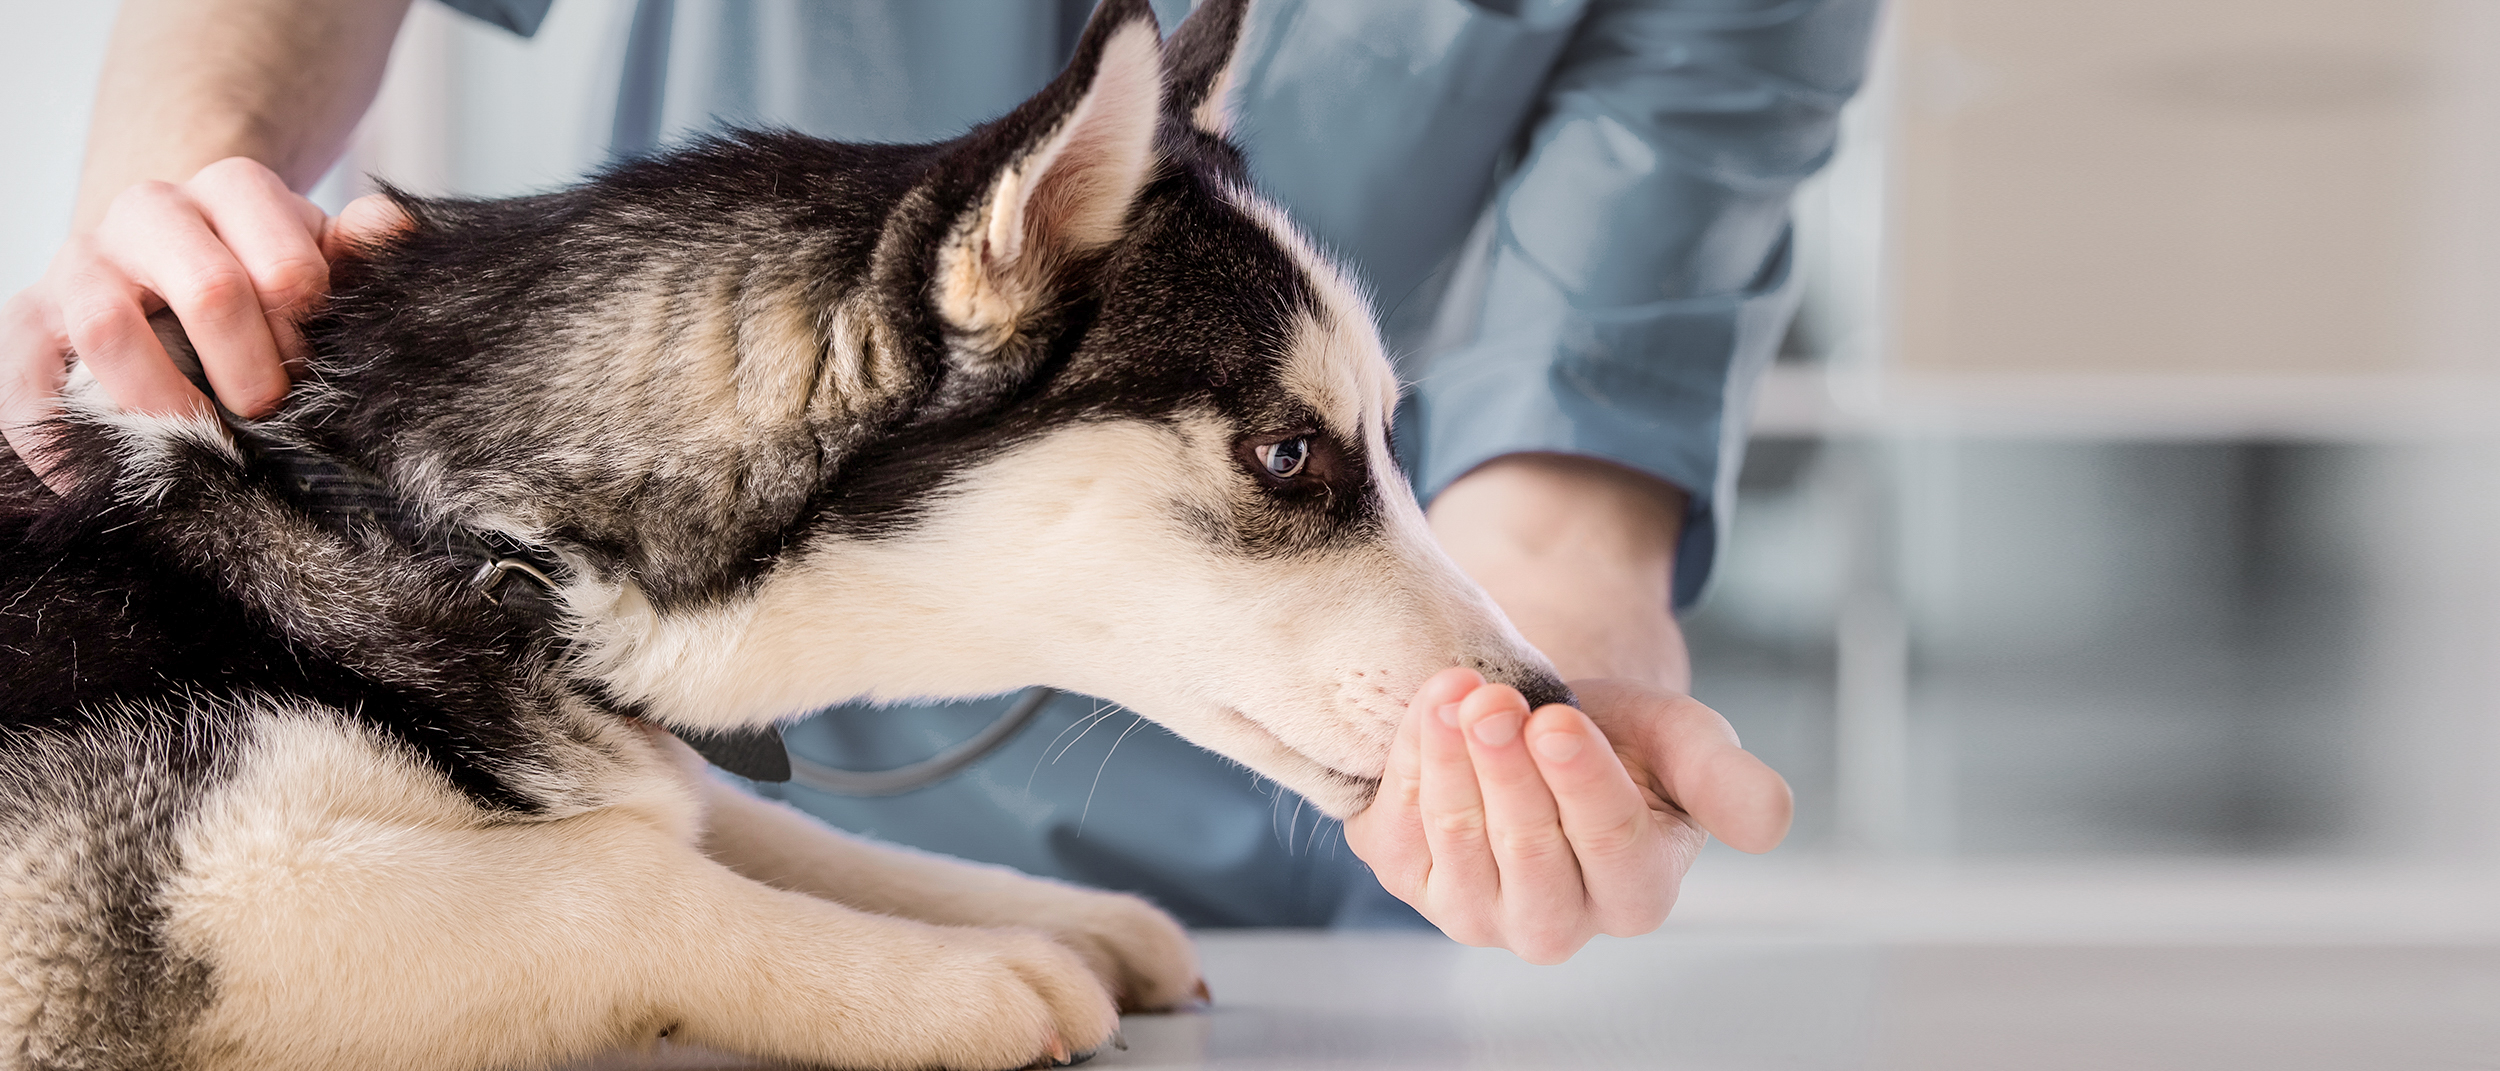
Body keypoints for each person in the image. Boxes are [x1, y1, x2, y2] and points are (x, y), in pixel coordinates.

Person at [0, 0, 1876, 964]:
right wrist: (189, 220)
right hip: (590, 683)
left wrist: (1527, 703)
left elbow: (1599, 355)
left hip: (1232, 895)